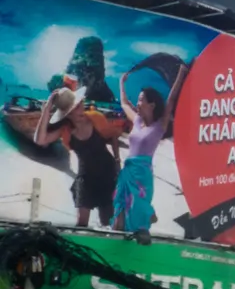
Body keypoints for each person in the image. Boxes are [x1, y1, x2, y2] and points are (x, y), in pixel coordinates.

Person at [33, 81, 128, 228]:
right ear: (68, 113)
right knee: (81, 224)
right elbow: (40, 140)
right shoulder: (65, 130)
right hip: (86, 177)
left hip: (107, 174)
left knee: (107, 222)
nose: (81, 106)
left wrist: (117, 161)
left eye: (79, 103)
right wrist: (46, 110)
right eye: (76, 106)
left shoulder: (95, 118)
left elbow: (113, 135)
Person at [112, 63, 185, 233]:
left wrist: (181, 74)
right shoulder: (137, 121)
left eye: (140, 100)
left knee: (136, 213)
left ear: (151, 105)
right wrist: (121, 83)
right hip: (128, 172)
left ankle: (147, 217)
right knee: (120, 214)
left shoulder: (159, 126)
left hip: (142, 176)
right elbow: (124, 103)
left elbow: (171, 100)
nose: (137, 103)